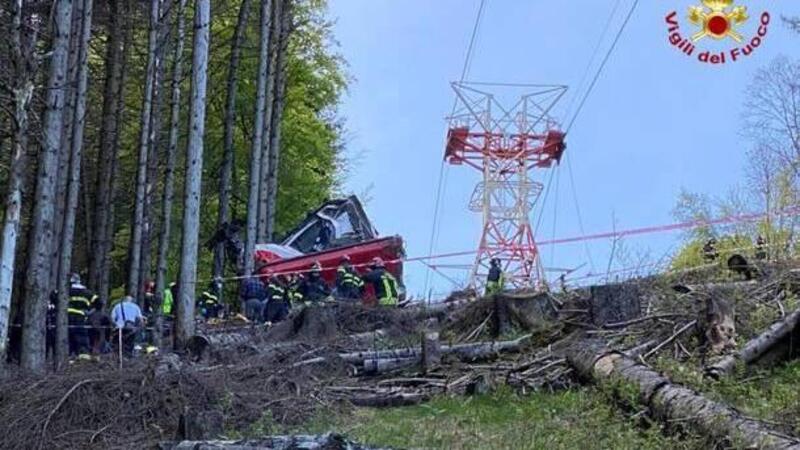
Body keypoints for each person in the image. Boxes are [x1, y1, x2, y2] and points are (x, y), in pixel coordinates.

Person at [67, 273, 93, 358]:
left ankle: (70, 355)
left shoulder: (66, 290)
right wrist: (88, 313)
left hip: (67, 316)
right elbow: (97, 304)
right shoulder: (87, 292)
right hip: (80, 317)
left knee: (69, 337)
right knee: (81, 336)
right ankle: (82, 354)